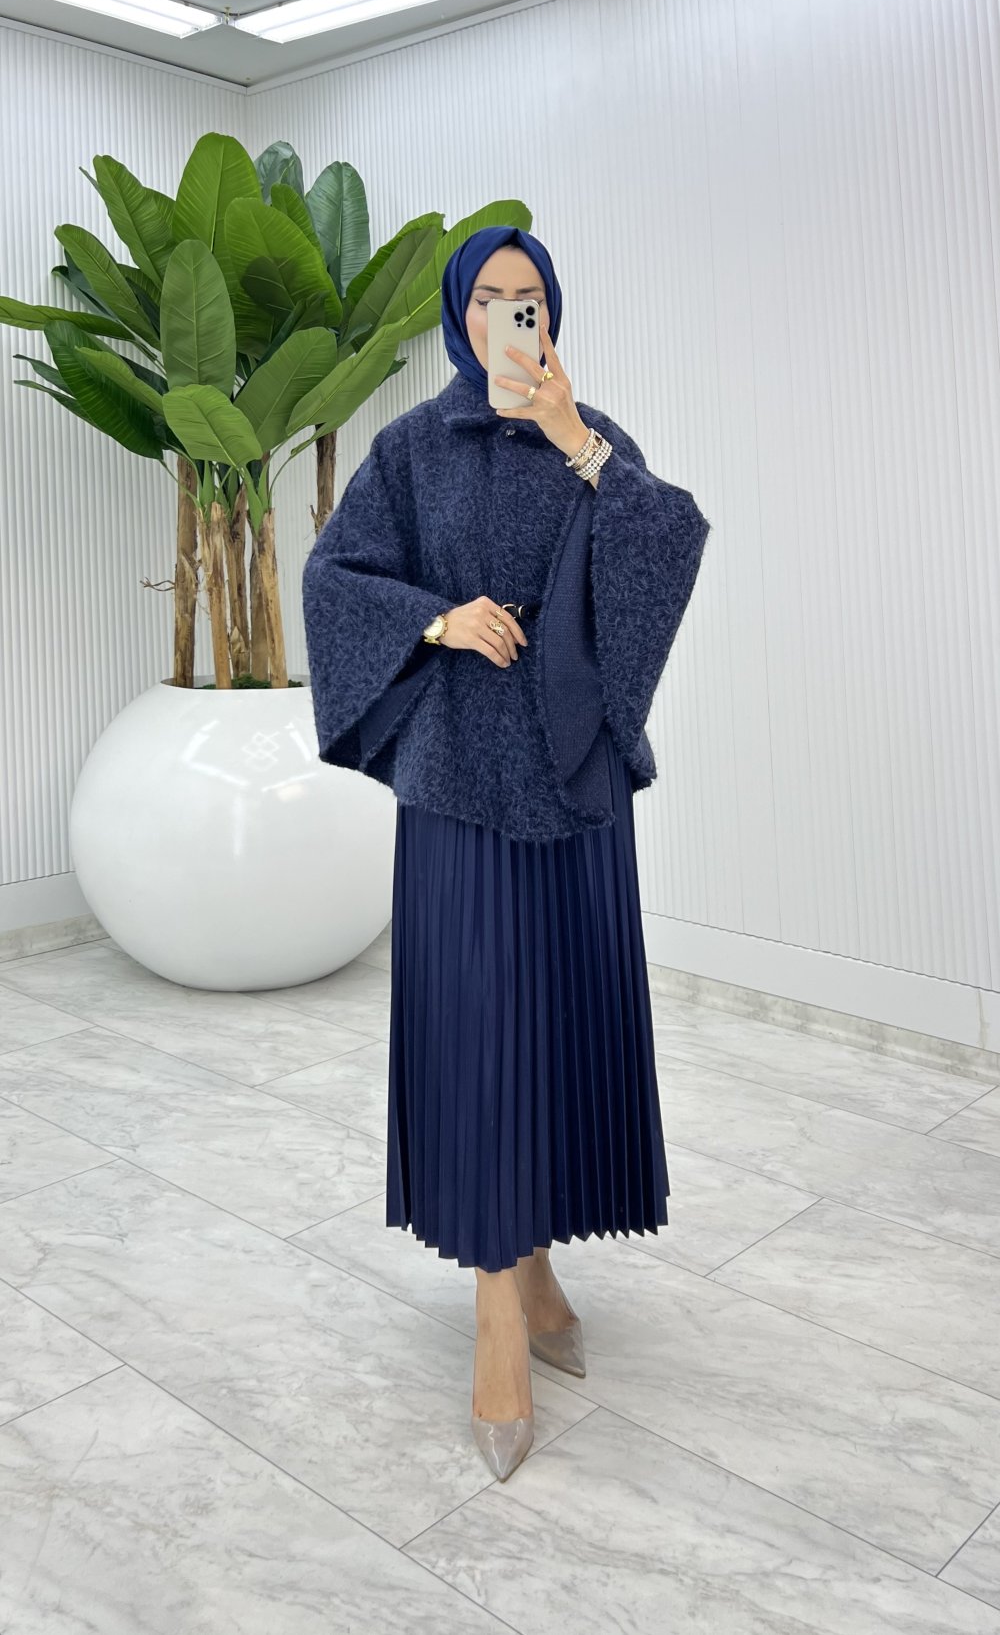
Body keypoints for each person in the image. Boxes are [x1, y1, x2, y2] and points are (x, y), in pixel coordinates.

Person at [301, 225, 712, 1484]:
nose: (508, 319)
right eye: (488, 299)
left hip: (574, 778)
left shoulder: (592, 437)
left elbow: (670, 542)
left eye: (528, 299)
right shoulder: (411, 449)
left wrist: (574, 437)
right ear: (456, 314)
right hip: (460, 783)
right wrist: (437, 616)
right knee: (479, 1036)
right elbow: (333, 576)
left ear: (552, 313)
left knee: (560, 1024)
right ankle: (495, 1305)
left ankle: (535, 1263)